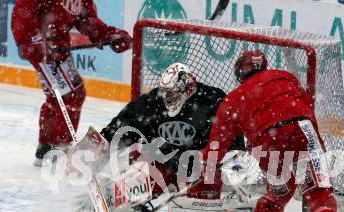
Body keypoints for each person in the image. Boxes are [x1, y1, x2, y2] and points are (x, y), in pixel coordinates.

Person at [200, 50, 344, 212]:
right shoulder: (285, 76)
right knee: (318, 195)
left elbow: (216, 145)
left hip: (267, 141)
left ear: (240, 72)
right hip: (301, 132)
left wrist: (206, 163)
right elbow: (304, 107)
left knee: (278, 193)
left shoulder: (233, 98)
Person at [11, 0, 132, 166]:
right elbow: (23, 10)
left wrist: (108, 35)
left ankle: (48, 147)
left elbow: (86, 20)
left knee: (69, 94)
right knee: (70, 95)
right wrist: (33, 43)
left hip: (58, 46)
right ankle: (58, 147)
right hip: (41, 45)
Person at [100, 62, 245, 200]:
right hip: (165, 164)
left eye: (171, 93)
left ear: (186, 88)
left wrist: (233, 161)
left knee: (198, 204)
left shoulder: (213, 100)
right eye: (164, 92)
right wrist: (106, 138)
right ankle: (117, 195)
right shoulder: (155, 100)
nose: (166, 98)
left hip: (198, 169)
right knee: (141, 159)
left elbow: (232, 132)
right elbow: (129, 119)